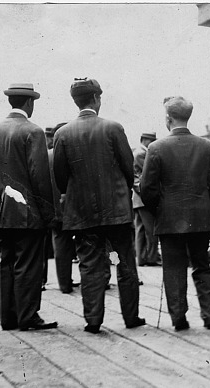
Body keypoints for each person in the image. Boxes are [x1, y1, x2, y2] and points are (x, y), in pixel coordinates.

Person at [53, 78, 145, 334]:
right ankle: (131, 317)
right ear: (96, 99)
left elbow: (60, 177)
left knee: (90, 264)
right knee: (123, 262)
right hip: (116, 213)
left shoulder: (62, 134)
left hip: (82, 214)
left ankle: (93, 320)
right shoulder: (113, 128)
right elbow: (129, 169)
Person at [140, 96, 210, 331]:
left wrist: (159, 211)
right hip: (201, 219)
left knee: (174, 269)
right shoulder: (208, 146)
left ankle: (178, 318)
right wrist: (209, 215)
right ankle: (209, 315)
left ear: (168, 118)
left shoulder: (156, 148)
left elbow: (147, 189)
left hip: (169, 220)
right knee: (202, 265)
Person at [0, 83, 57, 331]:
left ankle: (8, 318)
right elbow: (39, 178)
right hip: (27, 213)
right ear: (29, 103)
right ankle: (28, 316)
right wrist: (48, 213)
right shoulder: (32, 132)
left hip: (1, 210)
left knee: (6, 262)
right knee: (28, 264)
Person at [47, 122, 79, 294]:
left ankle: (64, 284)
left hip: (54, 209)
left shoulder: (46, 155)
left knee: (60, 245)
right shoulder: (74, 153)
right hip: (75, 207)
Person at [132, 131, 162, 267]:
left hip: (138, 199)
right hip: (144, 198)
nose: (152, 143)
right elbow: (147, 175)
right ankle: (152, 257)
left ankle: (142, 258)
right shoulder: (142, 154)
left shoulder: (137, 152)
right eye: (151, 140)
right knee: (151, 230)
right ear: (144, 140)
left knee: (140, 230)